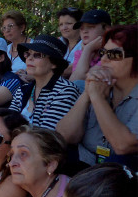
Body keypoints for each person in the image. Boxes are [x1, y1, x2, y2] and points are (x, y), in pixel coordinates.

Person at [56, 25, 138, 170]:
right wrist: (88, 93)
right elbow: (64, 136)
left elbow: (123, 146)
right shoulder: (99, 86)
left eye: (114, 54)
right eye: (103, 53)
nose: (104, 59)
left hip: (120, 176)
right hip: (85, 165)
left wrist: (98, 98)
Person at [9, 35, 80, 130]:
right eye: (28, 54)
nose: (29, 58)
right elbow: (7, 124)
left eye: (37, 55)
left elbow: (46, 135)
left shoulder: (65, 91)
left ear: (54, 63)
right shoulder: (23, 89)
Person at [70, 9, 112, 83]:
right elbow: (73, 82)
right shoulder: (80, 53)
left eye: (90, 27)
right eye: (81, 28)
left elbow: (79, 79)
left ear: (106, 29)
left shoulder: (111, 52)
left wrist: (88, 49)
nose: (84, 31)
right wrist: (87, 50)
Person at [0, 10, 32, 79]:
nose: (7, 30)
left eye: (10, 26)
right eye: (4, 28)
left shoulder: (34, 47)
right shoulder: (5, 49)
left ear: (22, 27)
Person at [56, 7, 83, 78]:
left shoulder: (84, 44)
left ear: (79, 25)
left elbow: (69, 70)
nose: (64, 28)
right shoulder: (60, 43)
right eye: (61, 24)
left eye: (68, 23)